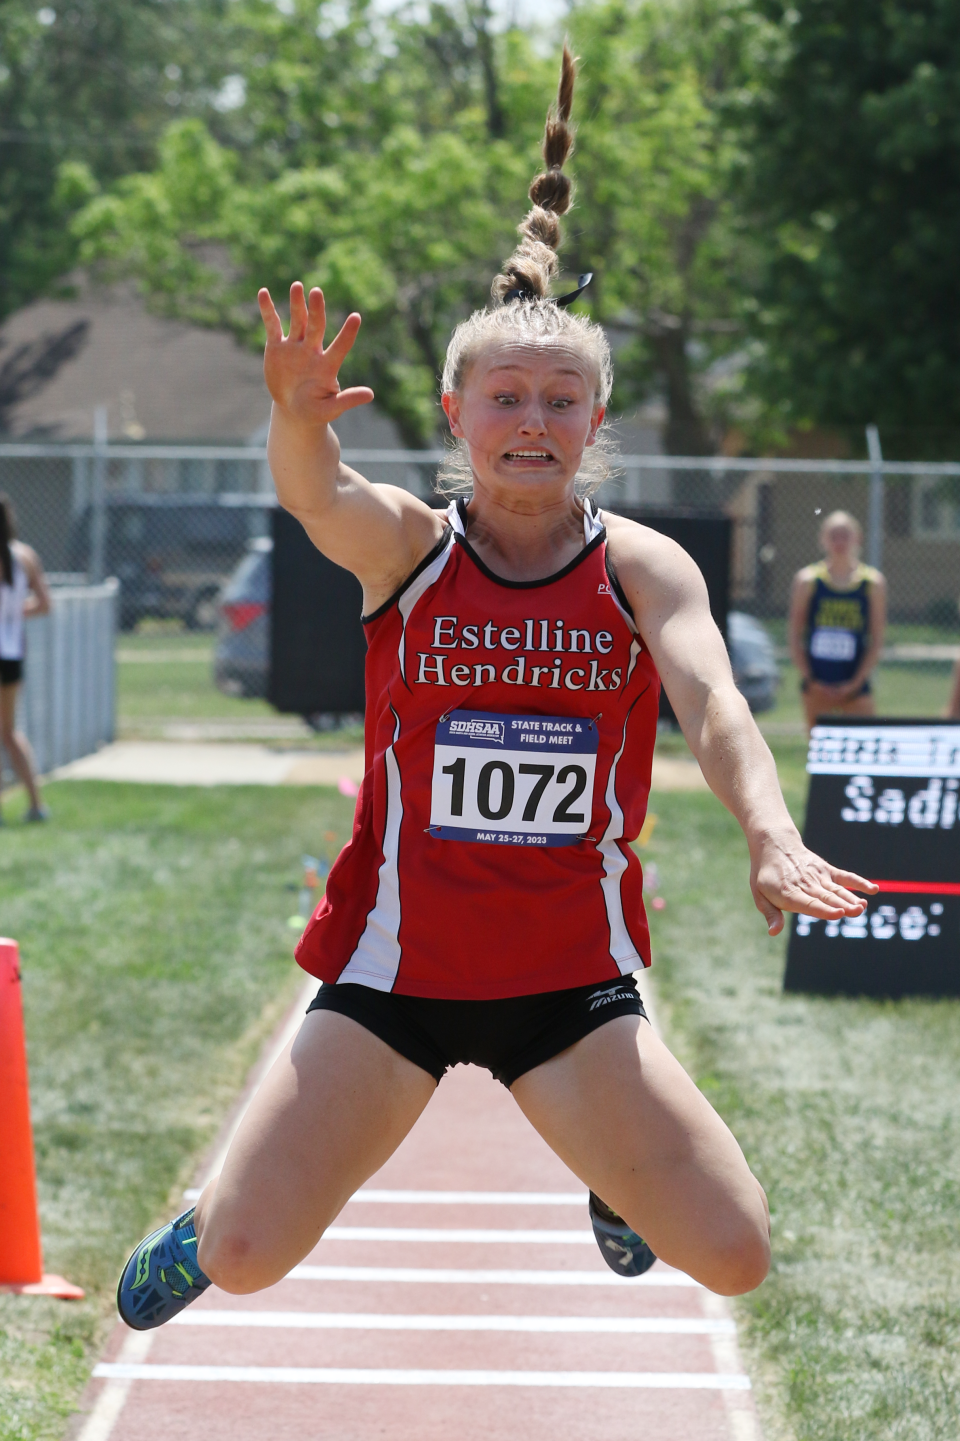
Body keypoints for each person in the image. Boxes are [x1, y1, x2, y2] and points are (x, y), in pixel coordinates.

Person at [117, 48, 875, 1332]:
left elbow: (715, 705)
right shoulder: (411, 548)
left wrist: (771, 830)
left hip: (569, 985)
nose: (534, 418)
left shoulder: (640, 566)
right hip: (391, 979)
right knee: (246, 1257)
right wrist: (298, 419)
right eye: (507, 398)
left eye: (562, 400)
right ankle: (210, 1214)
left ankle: (616, 1178)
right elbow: (315, 494)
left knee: (738, 1256)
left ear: (595, 420)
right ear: (458, 413)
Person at [788, 510, 887, 732]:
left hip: (855, 684)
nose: (839, 541)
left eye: (845, 534)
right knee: (820, 754)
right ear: (823, 539)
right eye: (833, 535)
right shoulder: (808, 581)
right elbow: (795, 635)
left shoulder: (872, 583)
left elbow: (877, 639)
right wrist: (811, 679)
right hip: (817, 684)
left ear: (858, 538)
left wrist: (855, 683)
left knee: (862, 750)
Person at [0, 494, 51, 822]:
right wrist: (13, 614)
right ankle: (35, 804)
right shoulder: (25, 556)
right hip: (12, 652)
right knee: (8, 731)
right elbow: (44, 603)